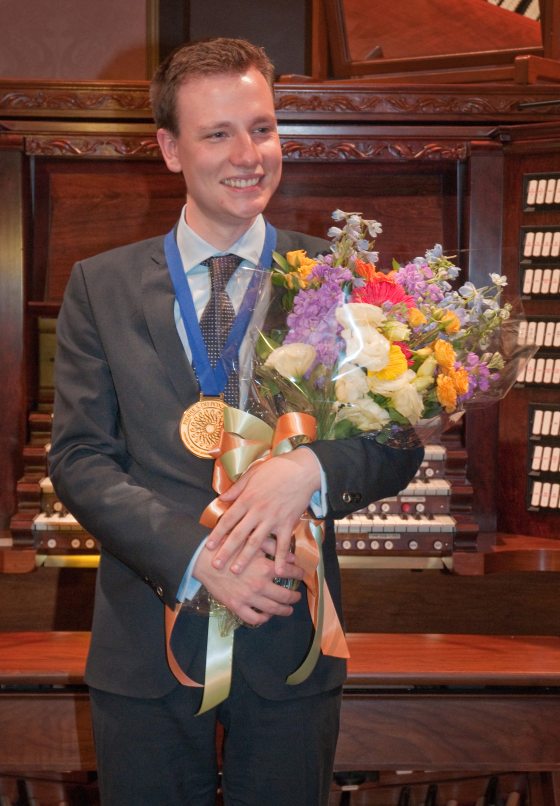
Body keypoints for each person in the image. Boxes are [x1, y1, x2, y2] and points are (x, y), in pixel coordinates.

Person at [49, 37, 424, 806]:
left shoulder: (335, 277)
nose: (247, 154)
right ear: (169, 150)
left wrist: (310, 471)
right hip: (149, 638)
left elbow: (393, 446)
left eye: (262, 128)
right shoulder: (100, 285)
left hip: (290, 635)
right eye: (217, 134)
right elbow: (81, 458)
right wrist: (199, 561)